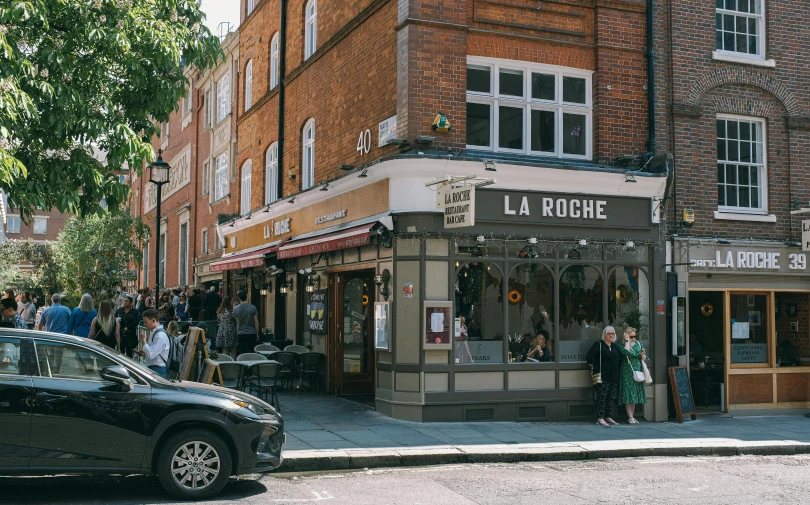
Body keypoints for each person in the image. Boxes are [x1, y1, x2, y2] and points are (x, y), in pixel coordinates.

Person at [586, 325, 622, 427]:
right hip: (602, 376)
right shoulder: (599, 345)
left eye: (613, 333)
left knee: (610, 397)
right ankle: (600, 417)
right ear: (604, 334)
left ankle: (608, 416)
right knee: (602, 397)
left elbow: (620, 358)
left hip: (613, 376)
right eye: (609, 333)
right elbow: (588, 357)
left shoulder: (615, 346)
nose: (611, 335)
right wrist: (595, 366)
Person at [619, 326, 647, 424]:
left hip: (637, 371)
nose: (633, 339)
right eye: (631, 337)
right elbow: (626, 352)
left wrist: (642, 354)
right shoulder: (622, 345)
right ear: (626, 336)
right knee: (628, 393)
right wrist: (627, 341)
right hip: (627, 372)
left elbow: (643, 358)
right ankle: (630, 417)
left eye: (634, 336)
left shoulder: (638, 344)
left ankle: (632, 416)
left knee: (634, 394)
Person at [139, 308, 170, 378]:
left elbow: (151, 354)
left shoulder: (160, 336)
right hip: (155, 367)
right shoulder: (155, 332)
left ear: (153, 320)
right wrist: (144, 352)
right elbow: (153, 350)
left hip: (158, 369)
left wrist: (144, 340)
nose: (145, 324)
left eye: (146, 322)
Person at [233, 290, 260, 356]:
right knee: (252, 352)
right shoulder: (253, 307)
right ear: (247, 296)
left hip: (241, 333)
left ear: (239, 298)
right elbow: (256, 321)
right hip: (251, 333)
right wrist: (257, 334)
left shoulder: (235, 309)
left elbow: (236, 320)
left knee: (243, 353)